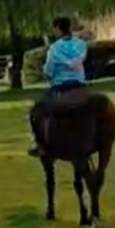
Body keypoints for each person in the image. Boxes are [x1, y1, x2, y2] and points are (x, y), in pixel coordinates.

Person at [28, 15, 88, 157]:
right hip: (79, 85)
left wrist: (48, 74)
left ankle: (39, 144)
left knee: (36, 112)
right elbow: (80, 60)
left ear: (58, 29)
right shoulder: (80, 44)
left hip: (61, 86)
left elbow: (49, 70)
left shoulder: (54, 49)